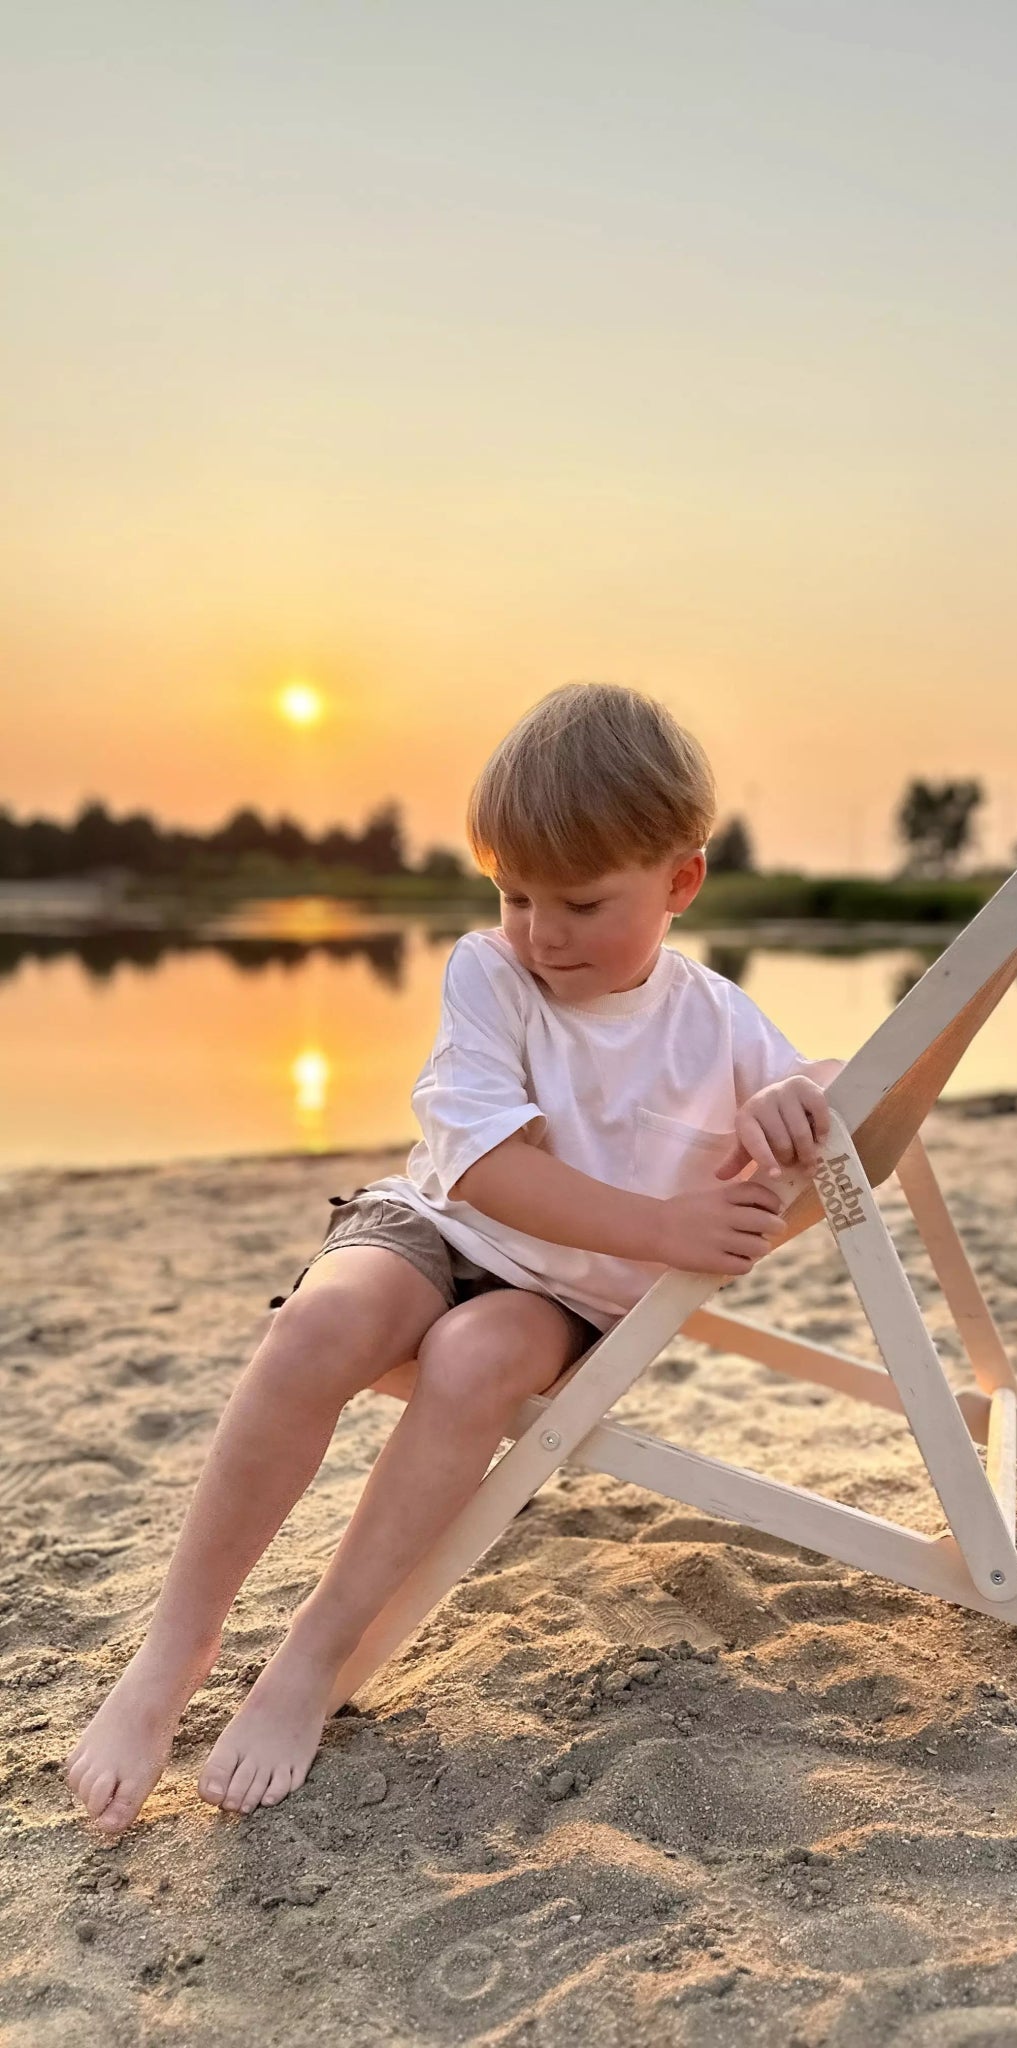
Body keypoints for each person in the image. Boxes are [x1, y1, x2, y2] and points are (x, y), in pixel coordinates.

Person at [64, 682, 842, 1833]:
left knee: (477, 1357)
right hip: (439, 1224)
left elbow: (833, 1092)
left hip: (562, 1297)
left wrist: (803, 1089)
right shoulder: (493, 974)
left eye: (580, 900)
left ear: (681, 880)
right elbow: (481, 1171)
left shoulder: (717, 1020)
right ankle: (176, 1648)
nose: (542, 931)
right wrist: (666, 1228)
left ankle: (312, 1659)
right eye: (513, 892)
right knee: (320, 1322)